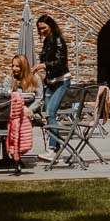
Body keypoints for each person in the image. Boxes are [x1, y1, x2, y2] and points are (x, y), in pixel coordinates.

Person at [33, 14, 71, 156]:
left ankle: (52, 150)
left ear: (50, 26)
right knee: (49, 115)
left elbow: (61, 62)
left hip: (61, 81)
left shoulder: (58, 40)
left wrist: (44, 65)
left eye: (43, 28)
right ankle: (58, 146)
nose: (41, 31)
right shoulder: (47, 42)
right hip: (50, 82)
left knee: (50, 112)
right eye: (39, 29)